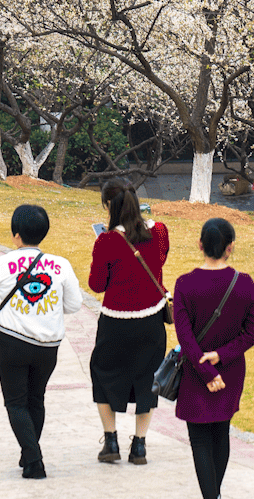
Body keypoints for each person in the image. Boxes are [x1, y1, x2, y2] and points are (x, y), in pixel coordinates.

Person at [0, 204, 84, 479]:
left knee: (16, 402)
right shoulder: (61, 265)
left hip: (12, 343)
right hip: (49, 346)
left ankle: (34, 460)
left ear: (15, 235)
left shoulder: (2, 264)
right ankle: (28, 452)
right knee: (36, 399)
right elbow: (75, 305)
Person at [173, 217, 254, 499]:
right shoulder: (245, 284)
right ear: (230, 247)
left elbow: (185, 339)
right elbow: (253, 332)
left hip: (196, 372)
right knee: (221, 432)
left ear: (200, 244)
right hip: (230, 371)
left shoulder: (185, 284)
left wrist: (207, 371)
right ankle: (216, 495)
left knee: (199, 440)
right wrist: (221, 357)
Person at [87, 182, 171, 465]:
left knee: (103, 373)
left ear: (110, 207)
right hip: (151, 320)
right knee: (147, 379)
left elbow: (96, 284)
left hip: (116, 322)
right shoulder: (159, 232)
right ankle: (139, 445)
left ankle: (111, 440)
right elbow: (158, 261)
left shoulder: (107, 241)